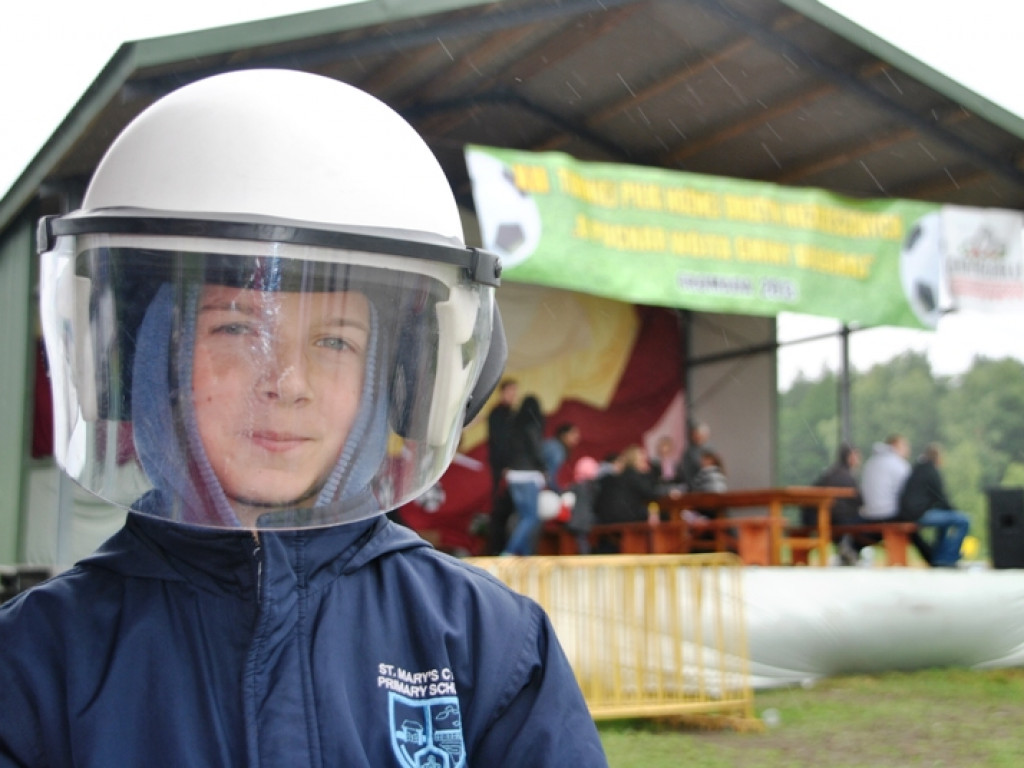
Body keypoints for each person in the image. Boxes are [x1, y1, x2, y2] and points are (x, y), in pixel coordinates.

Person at [0, 70, 606, 766]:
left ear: (394, 382)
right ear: (144, 363)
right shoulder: (36, 664)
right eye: (235, 329)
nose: (286, 384)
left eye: (335, 342)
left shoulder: (489, 649)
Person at [860, 434, 934, 564]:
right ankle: (932, 558)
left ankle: (931, 556)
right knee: (912, 525)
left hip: (869, 514)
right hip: (888, 514)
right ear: (895, 446)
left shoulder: (871, 461)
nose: (908, 449)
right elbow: (909, 492)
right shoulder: (898, 464)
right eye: (905, 445)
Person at [800, 443, 873, 564]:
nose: (858, 460)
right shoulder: (845, 476)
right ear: (850, 457)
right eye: (856, 456)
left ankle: (847, 550)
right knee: (866, 523)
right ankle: (849, 550)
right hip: (833, 520)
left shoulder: (831, 472)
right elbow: (860, 500)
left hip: (819, 518)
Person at [899, 443, 970, 567]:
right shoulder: (931, 471)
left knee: (945, 522)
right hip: (918, 514)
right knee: (963, 520)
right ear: (938, 458)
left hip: (910, 512)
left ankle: (939, 557)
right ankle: (949, 558)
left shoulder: (918, 468)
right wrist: (954, 511)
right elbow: (941, 497)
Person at [502, 395, 547, 555]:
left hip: (513, 475)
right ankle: (509, 551)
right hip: (528, 475)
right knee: (531, 517)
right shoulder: (532, 426)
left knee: (522, 516)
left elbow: (504, 450)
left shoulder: (512, 426)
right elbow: (537, 451)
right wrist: (544, 468)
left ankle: (526, 554)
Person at [542, 422, 581, 493]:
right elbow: (550, 474)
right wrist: (558, 491)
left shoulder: (553, 445)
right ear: (563, 435)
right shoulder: (556, 449)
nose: (577, 437)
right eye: (573, 433)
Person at [680, 421, 712, 487]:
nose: (697, 437)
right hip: (695, 486)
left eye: (700, 435)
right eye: (695, 434)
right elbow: (687, 472)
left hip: (711, 485)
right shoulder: (689, 452)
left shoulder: (711, 450)